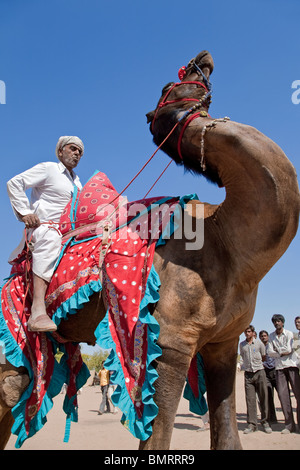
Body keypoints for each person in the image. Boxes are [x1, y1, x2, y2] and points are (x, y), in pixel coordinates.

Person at [7, 136, 84, 332]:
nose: (77, 153)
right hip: (46, 227)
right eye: (73, 148)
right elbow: (15, 183)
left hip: (71, 231)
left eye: (80, 152)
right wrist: (25, 212)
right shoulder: (49, 168)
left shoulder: (78, 182)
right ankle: (38, 310)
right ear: (60, 151)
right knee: (50, 238)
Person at [267, 314, 300, 434]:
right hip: (279, 368)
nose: (277, 323)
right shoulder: (271, 336)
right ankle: (289, 425)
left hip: (291, 366)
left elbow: (289, 349)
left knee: (298, 395)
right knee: (283, 396)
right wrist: (280, 353)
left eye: (279, 321)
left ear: (283, 322)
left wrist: (278, 352)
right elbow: (270, 352)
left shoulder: (289, 334)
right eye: (275, 321)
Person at [239, 325, 272, 434]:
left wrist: (257, 365)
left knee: (263, 397)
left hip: (259, 372)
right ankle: (252, 424)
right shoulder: (242, 345)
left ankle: (265, 421)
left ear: (253, 333)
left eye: (249, 331)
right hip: (248, 374)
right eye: (245, 332)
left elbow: (263, 356)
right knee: (250, 399)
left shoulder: (259, 344)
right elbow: (243, 357)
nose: (247, 333)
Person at [259, 330, 278, 424]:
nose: (263, 337)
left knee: (282, 395)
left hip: (275, 370)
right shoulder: (260, 347)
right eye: (262, 336)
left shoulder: (272, 345)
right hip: (266, 372)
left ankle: (288, 419)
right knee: (269, 396)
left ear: (268, 337)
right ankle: (272, 418)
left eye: (265, 336)